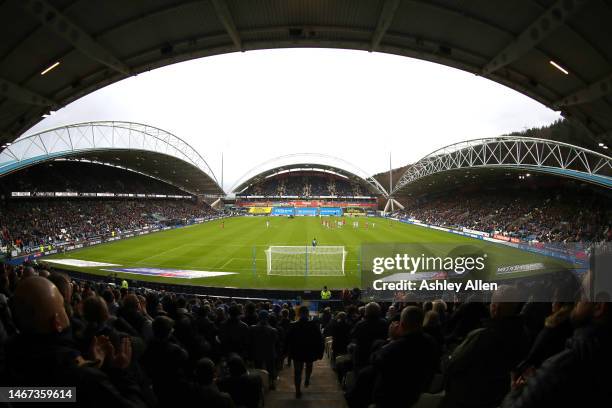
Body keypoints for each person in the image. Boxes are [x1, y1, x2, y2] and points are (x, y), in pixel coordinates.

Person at [4, 277, 147, 408]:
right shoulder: (82, 379)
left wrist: (89, 363)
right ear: (57, 323)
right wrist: (121, 373)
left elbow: (36, 395)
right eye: (62, 306)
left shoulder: (8, 357)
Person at [441, 285, 529, 408]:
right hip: (495, 397)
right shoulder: (523, 334)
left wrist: (447, 354)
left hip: (466, 398)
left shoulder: (482, 336)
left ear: (495, 308)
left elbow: (452, 365)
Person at [371, 306, 440, 408]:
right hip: (420, 395)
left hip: (391, 400)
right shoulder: (432, 342)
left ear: (402, 325)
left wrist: (391, 339)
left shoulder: (394, 348)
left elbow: (375, 360)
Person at [286, 305, 324, 398]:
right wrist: (320, 353)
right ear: (307, 314)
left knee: (297, 372)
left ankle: (298, 391)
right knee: (308, 366)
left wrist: (288, 353)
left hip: (297, 352)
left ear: (298, 314)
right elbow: (319, 340)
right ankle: (307, 379)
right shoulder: (313, 325)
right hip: (309, 352)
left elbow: (287, 341)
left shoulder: (293, 325)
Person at [249, 310, 279, 389]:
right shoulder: (273, 330)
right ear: (267, 318)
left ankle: (258, 385)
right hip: (269, 353)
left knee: (258, 369)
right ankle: (271, 383)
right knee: (271, 369)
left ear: (258, 317)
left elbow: (250, 342)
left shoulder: (252, 328)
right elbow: (275, 342)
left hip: (257, 353)